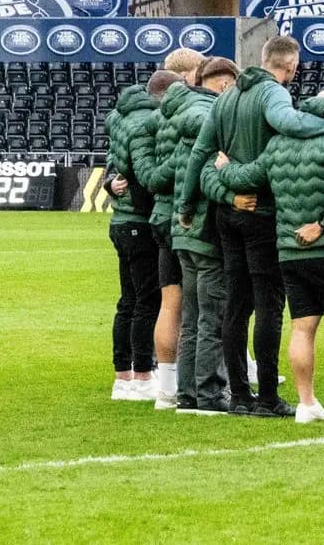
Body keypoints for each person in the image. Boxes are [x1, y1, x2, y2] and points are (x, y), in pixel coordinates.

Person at [205, 88, 324, 425]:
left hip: (290, 251)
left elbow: (248, 177)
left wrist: (224, 168)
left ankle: (306, 403)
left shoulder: (278, 144)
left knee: (303, 328)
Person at [190, 34, 324, 418]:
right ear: (290, 67)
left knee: (236, 305)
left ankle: (239, 395)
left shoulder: (225, 96)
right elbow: (287, 122)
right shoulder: (272, 93)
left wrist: (185, 202)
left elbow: (201, 151)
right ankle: (267, 398)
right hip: (262, 211)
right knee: (268, 305)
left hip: (229, 216)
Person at [169, 57, 239, 415]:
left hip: (183, 232)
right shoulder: (209, 117)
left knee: (193, 319)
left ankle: (188, 394)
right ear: (225, 85)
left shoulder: (184, 114)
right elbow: (208, 177)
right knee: (211, 317)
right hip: (205, 230)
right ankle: (209, 394)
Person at [140, 48, 206, 408]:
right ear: (186, 75)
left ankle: (165, 387)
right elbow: (164, 171)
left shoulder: (152, 119)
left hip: (160, 218)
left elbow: (147, 170)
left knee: (170, 302)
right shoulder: (186, 113)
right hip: (184, 216)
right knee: (197, 303)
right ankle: (197, 381)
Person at [105, 70, 176, 400]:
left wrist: (111, 184)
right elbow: (142, 170)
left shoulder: (119, 116)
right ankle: (144, 376)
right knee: (148, 300)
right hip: (139, 218)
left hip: (121, 220)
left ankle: (124, 376)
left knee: (129, 301)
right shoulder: (149, 120)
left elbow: (114, 163)